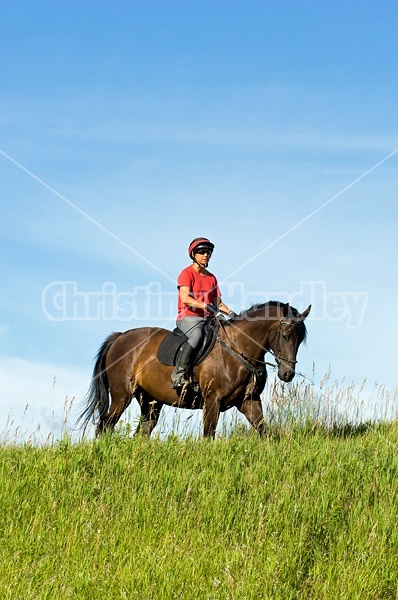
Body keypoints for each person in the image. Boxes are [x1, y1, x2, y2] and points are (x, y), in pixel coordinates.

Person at [171, 237, 236, 389]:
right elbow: (185, 298)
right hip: (188, 317)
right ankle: (179, 375)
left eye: (208, 252)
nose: (206, 255)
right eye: (201, 252)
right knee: (197, 336)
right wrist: (205, 305)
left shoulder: (212, 278)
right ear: (193, 254)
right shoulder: (186, 274)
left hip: (209, 319)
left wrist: (231, 313)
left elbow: (218, 303)